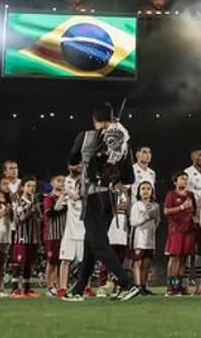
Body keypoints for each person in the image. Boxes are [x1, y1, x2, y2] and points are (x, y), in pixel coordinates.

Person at [63, 104, 139, 302]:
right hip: (111, 198)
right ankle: (78, 289)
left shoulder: (85, 136)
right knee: (91, 242)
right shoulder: (123, 140)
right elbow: (129, 177)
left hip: (93, 195)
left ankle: (125, 283)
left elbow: (72, 158)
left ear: (94, 119)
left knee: (97, 242)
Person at [163, 171, 197, 297]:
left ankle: (179, 285)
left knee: (184, 258)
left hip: (189, 230)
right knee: (174, 257)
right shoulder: (171, 195)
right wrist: (181, 207)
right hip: (176, 230)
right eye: (182, 178)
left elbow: (194, 211)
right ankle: (170, 287)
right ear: (175, 181)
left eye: (186, 178)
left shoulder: (190, 195)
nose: (185, 181)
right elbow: (166, 211)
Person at [184, 146, 201, 294]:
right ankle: (185, 283)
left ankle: (200, 284)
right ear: (193, 157)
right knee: (188, 250)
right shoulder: (187, 173)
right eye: (200, 155)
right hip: (190, 217)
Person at [11, 176, 41, 298]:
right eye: (29, 185)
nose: (32, 188)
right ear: (23, 187)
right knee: (19, 263)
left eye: (33, 186)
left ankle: (27, 289)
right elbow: (21, 218)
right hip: (22, 237)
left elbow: (39, 220)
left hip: (33, 238)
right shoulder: (19, 201)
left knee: (29, 263)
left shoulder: (35, 202)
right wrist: (32, 210)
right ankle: (14, 290)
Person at [58, 168, 86, 298]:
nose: (80, 188)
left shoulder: (88, 201)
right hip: (69, 233)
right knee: (65, 261)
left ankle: (86, 287)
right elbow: (57, 208)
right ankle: (62, 288)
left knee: (84, 263)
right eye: (78, 186)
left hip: (83, 234)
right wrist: (64, 196)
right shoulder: (70, 198)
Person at [129, 181, 158, 296]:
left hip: (150, 239)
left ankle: (144, 286)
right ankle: (137, 286)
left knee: (147, 263)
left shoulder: (155, 206)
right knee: (138, 262)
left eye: (148, 189)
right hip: (139, 238)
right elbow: (133, 222)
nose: (146, 191)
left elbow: (157, 221)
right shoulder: (136, 205)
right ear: (139, 192)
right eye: (143, 189)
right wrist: (146, 217)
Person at [43, 175, 68, 296]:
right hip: (53, 233)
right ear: (52, 183)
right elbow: (50, 213)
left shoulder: (68, 197)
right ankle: (49, 286)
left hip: (65, 233)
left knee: (61, 261)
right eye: (59, 181)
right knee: (51, 261)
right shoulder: (49, 197)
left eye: (64, 181)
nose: (62, 183)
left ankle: (59, 286)